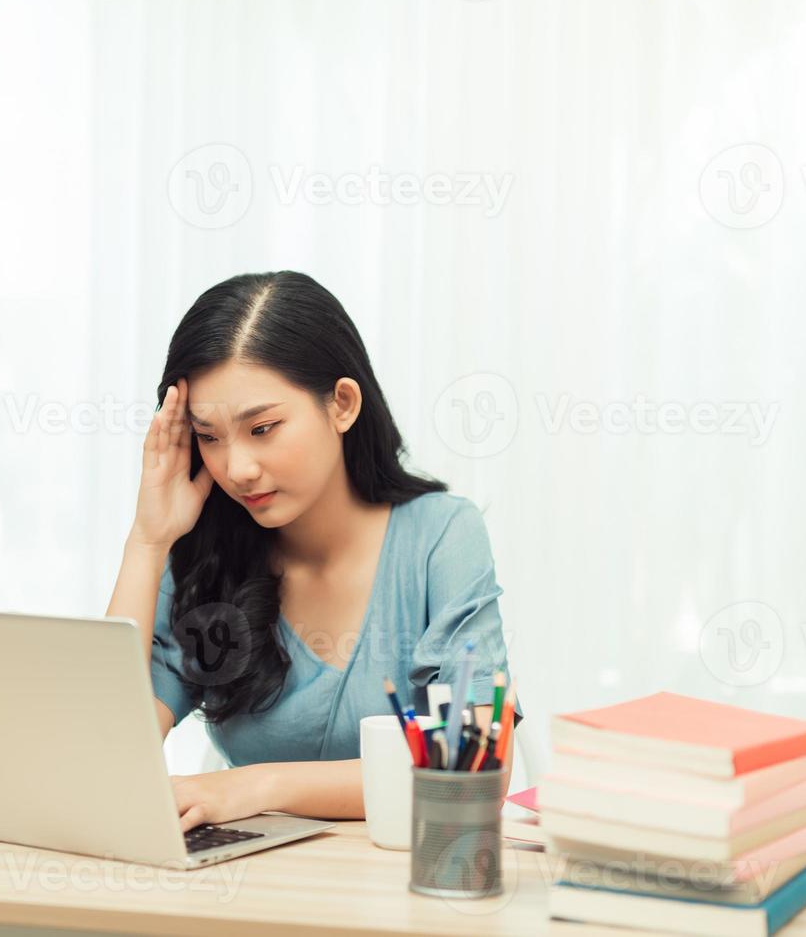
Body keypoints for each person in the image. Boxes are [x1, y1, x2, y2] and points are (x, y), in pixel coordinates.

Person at [105, 271, 513, 832]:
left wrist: (258, 784)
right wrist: (147, 541)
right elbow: (108, 751)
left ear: (342, 405)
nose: (236, 469)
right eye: (209, 436)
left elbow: (472, 767)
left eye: (263, 428)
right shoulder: (206, 559)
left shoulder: (442, 537)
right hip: (255, 892)